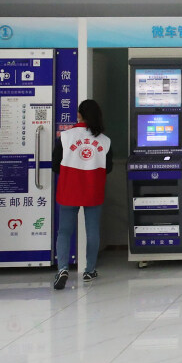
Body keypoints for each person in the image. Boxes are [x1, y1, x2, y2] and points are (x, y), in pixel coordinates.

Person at [52, 99, 112, 289]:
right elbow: (109, 167)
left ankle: (62, 268)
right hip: (93, 190)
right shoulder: (105, 141)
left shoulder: (65, 136)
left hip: (69, 190)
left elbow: (55, 166)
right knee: (92, 231)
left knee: (64, 231)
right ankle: (89, 270)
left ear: (79, 115)